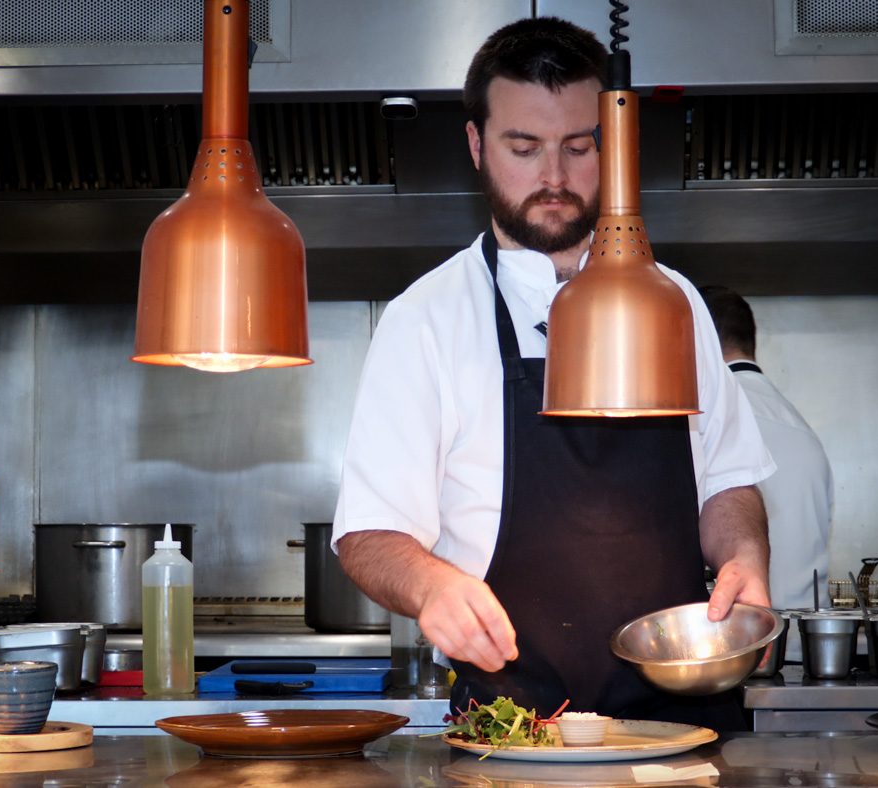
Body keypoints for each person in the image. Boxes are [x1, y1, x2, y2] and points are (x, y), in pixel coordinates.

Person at [331, 17, 775, 729]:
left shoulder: (676, 304)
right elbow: (368, 535)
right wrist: (430, 585)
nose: (554, 178)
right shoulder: (427, 319)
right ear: (476, 145)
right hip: (511, 735)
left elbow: (727, 480)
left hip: (685, 730)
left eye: (579, 146)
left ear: (617, 147)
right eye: (524, 147)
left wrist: (744, 556)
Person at [698, 285, 833, 629]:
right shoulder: (806, 436)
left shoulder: (701, 423)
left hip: (738, 644)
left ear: (696, 341)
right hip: (809, 648)